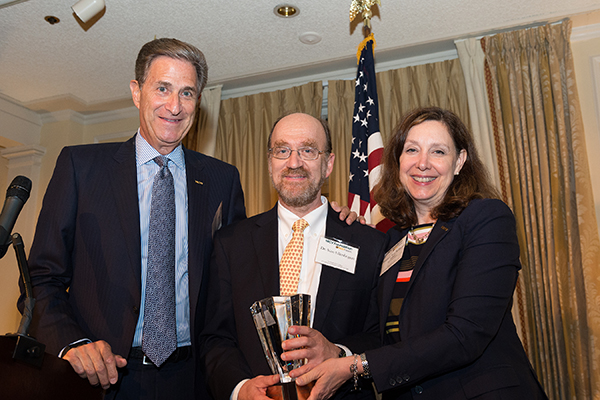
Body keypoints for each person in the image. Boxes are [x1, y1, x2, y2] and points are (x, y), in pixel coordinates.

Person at [18, 38, 247, 399]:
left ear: (198, 102)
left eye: (187, 93)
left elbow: (239, 279)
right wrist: (73, 344)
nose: (174, 106)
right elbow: (41, 278)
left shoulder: (223, 179)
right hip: (101, 380)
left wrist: (325, 216)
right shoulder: (81, 167)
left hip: (194, 379)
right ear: (137, 92)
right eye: (162, 88)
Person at [294, 107, 548, 400]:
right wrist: (338, 352)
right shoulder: (390, 241)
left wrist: (355, 365)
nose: (422, 163)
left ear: (459, 162)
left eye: (438, 152)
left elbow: (465, 333)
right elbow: (385, 335)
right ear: (398, 161)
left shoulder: (485, 218)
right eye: (412, 150)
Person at [199, 112, 388, 400]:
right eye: (282, 150)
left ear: (328, 164)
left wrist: (338, 353)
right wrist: (240, 390)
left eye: (308, 150)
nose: (294, 162)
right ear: (270, 161)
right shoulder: (231, 244)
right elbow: (215, 337)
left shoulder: (369, 244)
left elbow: (383, 335)